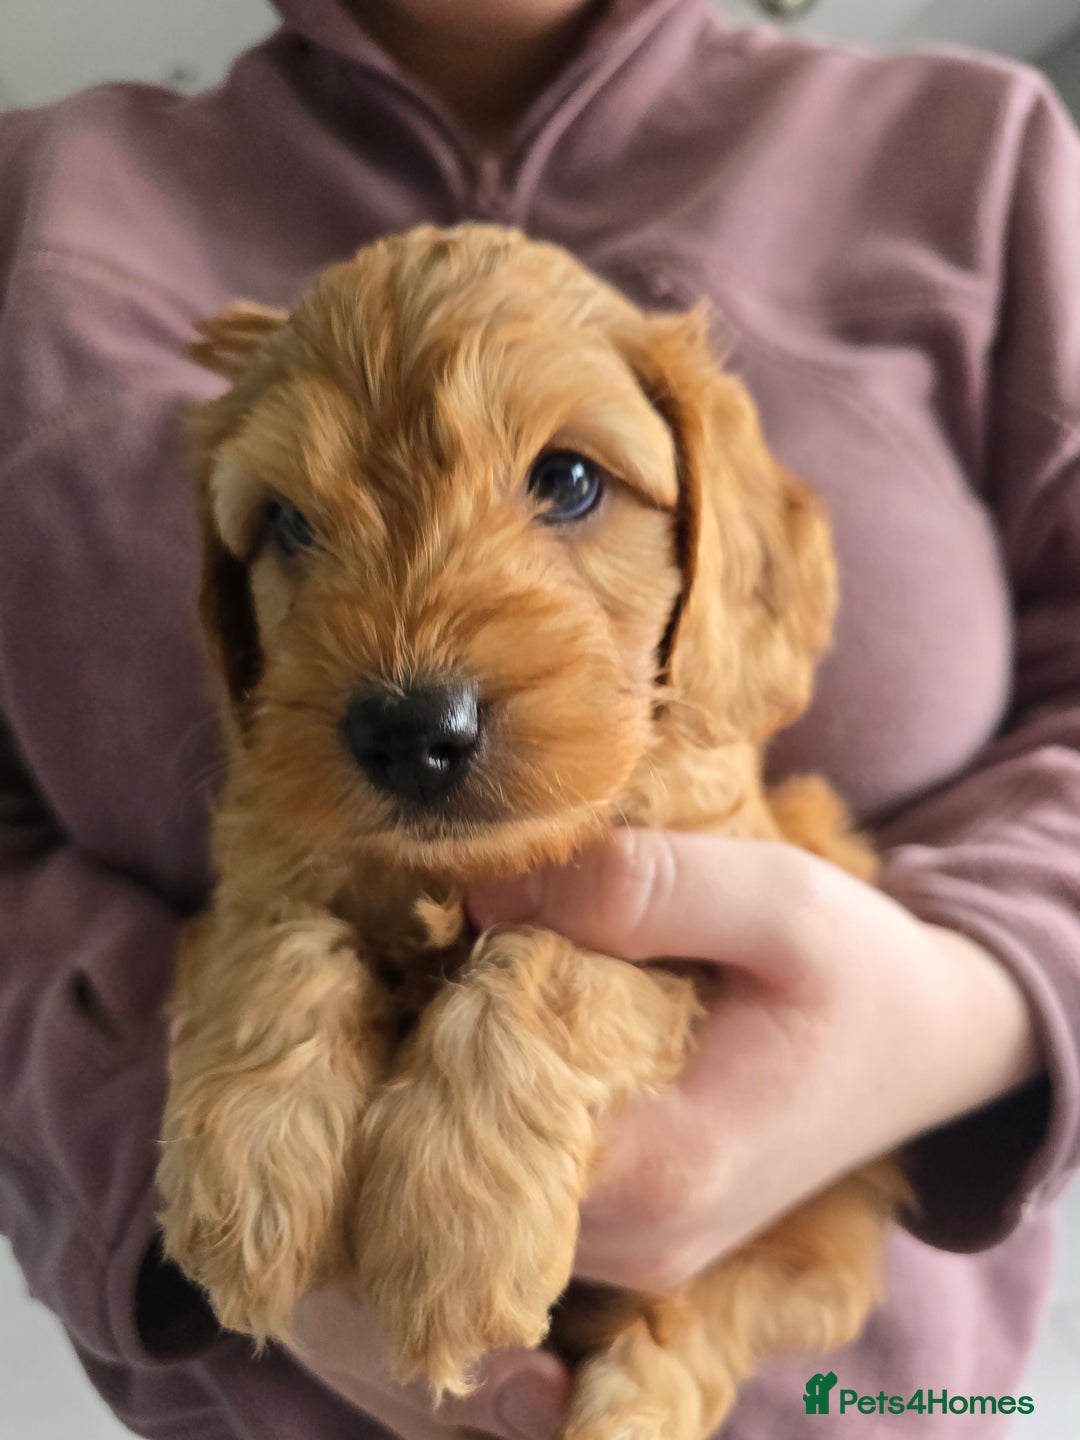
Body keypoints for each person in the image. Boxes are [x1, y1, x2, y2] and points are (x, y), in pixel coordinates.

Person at [0, 1, 1075, 1436]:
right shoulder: (29, 204)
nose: (413, 661)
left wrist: (968, 1008)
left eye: (568, 484)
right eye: (296, 529)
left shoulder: (983, 153)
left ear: (714, 555)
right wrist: (170, 1119)